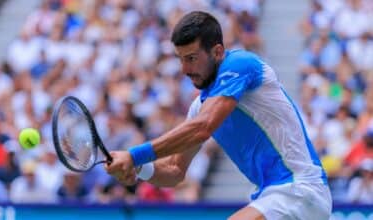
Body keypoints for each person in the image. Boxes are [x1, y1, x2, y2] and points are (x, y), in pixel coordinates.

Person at [105, 11, 332, 220]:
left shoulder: (241, 64)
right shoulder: (199, 107)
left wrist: (135, 156)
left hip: (301, 191)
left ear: (218, 52)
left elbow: (203, 127)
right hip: (271, 196)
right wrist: (139, 168)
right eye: (180, 59)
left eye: (192, 58)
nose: (184, 68)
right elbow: (174, 170)